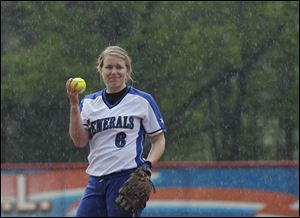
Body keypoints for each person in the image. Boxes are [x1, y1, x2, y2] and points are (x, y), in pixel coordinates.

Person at [65, 46, 166, 217]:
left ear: (127, 70)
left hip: (126, 177)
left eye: (119, 67)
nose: (114, 72)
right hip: (96, 180)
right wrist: (74, 105)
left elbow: (159, 140)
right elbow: (79, 141)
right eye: (109, 67)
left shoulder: (142, 100)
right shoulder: (89, 102)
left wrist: (147, 166)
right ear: (101, 70)